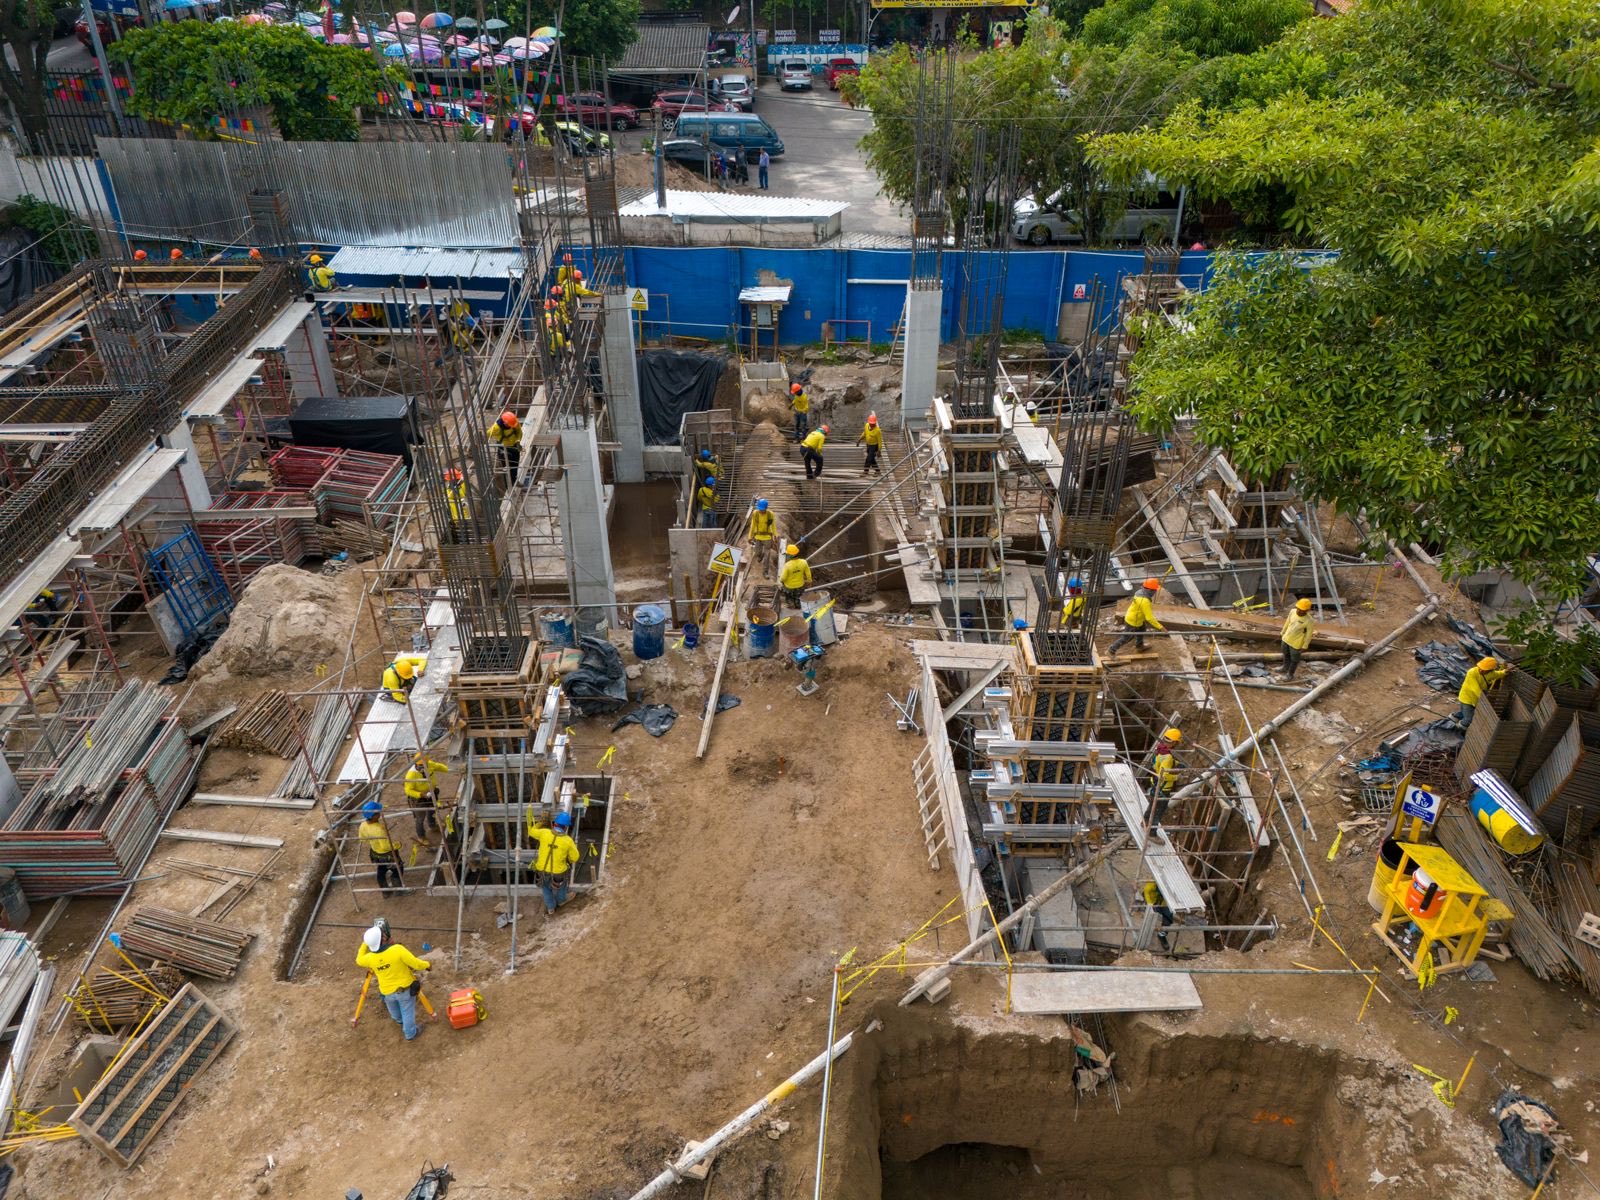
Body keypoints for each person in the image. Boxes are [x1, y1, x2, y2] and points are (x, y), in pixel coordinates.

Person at [356, 919, 432, 1041]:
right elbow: (416, 964)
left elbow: (358, 959)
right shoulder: (397, 950)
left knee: (394, 1009)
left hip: (386, 992)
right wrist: (427, 964)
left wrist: (366, 942)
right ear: (383, 939)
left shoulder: (369, 958)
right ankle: (410, 1033)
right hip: (404, 991)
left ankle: (398, 1020)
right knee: (407, 1011)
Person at [528, 810, 582, 915]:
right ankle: (561, 901)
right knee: (561, 887)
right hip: (558, 873)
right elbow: (575, 858)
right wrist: (568, 859)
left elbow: (531, 831)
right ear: (566, 828)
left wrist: (541, 823)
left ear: (554, 824)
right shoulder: (568, 841)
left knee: (546, 889)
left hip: (542, 870)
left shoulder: (544, 833)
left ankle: (551, 908)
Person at [358, 801, 405, 897]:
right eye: (378, 812)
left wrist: (374, 841)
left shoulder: (363, 825)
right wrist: (397, 845)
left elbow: (363, 840)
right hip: (387, 854)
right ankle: (398, 890)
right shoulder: (378, 830)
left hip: (375, 853)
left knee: (381, 870)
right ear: (374, 816)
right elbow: (386, 847)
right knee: (398, 869)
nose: (380, 813)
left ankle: (385, 892)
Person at [1107, 578, 1164, 655]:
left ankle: (1139, 646)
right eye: (1155, 590)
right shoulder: (1144, 601)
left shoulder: (1140, 592)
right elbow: (1149, 618)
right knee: (1126, 638)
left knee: (1142, 629)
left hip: (1135, 617)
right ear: (1150, 591)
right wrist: (1161, 627)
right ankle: (1111, 650)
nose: (1155, 592)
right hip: (1133, 621)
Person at [404, 755, 449, 842]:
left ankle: (432, 825)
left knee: (432, 810)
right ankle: (421, 837)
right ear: (416, 765)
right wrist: (420, 794)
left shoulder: (429, 764)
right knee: (420, 818)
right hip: (419, 798)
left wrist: (449, 770)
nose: (424, 767)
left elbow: (439, 766)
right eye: (421, 765)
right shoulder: (411, 775)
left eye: (425, 765)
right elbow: (408, 790)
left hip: (431, 793)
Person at [1457, 656, 1508, 727]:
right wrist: (1485, 701)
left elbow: (1498, 674)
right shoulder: (1472, 672)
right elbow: (1475, 689)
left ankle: (1454, 717)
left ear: (1490, 670)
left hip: (1475, 700)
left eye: (1484, 669)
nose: (1481, 670)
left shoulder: (1490, 674)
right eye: (1481, 668)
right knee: (1468, 719)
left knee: (1466, 712)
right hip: (1467, 699)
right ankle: (1457, 728)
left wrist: (1505, 672)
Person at [1149, 727, 1180, 825]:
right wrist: (1176, 777)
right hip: (1163, 787)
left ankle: (1144, 823)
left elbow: (1156, 764)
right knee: (1158, 811)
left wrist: (1174, 763)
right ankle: (1152, 834)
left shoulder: (1159, 750)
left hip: (1155, 783)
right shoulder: (1168, 757)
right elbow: (1163, 776)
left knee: (1152, 807)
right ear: (1174, 742)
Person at [1280, 598, 1314, 680]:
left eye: (1302, 610)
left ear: (1307, 610)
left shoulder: (1309, 620)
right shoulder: (1292, 611)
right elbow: (1287, 622)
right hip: (1286, 638)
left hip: (1296, 643)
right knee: (1285, 654)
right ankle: (1284, 668)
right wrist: (1282, 632)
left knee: (1294, 659)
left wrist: (1305, 646)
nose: (1299, 611)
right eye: (1298, 608)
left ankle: (1290, 674)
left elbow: (1309, 635)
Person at [487, 409, 522, 488]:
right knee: (506, 468)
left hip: (514, 446)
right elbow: (487, 434)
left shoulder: (514, 422)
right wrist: (477, 442)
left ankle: (514, 481)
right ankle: (508, 487)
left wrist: (518, 441)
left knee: (515, 465)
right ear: (505, 423)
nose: (513, 426)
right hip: (504, 449)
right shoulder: (496, 428)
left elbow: (519, 432)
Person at [1142, 880, 1176, 952]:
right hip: (1153, 901)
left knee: (1168, 917)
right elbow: (1147, 895)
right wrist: (1150, 905)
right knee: (1152, 916)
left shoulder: (1168, 886)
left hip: (1164, 901)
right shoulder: (1149, 887)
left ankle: (1162, 935)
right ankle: (1147, 930)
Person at [779, 543, 811, 608]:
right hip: (800, 586)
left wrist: (781, 581)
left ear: (790, 555)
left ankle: (790, 604)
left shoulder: (787, 565)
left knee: (789, 597)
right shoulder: (804, 562)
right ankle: (798, 606)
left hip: (789, 587)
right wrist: (809, 581)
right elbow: (808, 574)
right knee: (799, 599)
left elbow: (783, 578)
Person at [748, 497, 776, 572]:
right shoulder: (755, 513)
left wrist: (774, 536)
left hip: (767, 537)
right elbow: (753, 525)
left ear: (766, 508)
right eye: (760, 509)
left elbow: (773, 526)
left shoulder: (770, 514)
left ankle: (765, 571)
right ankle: (760, 555)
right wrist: (750, 537)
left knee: (767, 555)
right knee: (757, 552)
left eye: (762, 509)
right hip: (758, 537)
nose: (761, 510)